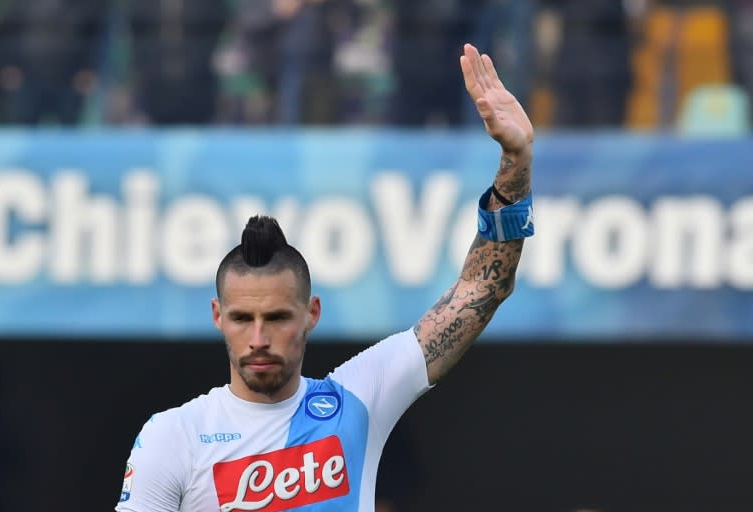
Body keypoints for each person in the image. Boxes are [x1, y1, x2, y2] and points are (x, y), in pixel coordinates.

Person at [115, 42, 535, 511]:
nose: (258, 337)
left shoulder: (358, 399)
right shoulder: (174, 436)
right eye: (241, 318)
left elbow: (482, 288)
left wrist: (515, 162)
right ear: (217, 316)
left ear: (312, 313)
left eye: (276, 317)